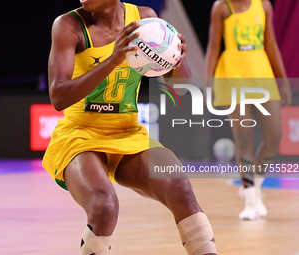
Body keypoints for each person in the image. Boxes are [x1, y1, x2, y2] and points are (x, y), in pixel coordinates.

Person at [43, 0, 218, 254]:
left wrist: (176, 61)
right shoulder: (68, 25)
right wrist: (113, 60)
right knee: (104, 206)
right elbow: (58, 97)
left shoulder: (145, 19)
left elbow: (180, 87)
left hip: (127, 133)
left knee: (179, 186)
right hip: (79, 134)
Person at [205, 0, 292, 220]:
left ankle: (254, 186)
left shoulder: (263, 5)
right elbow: (213, 47)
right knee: (244, 140)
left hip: (261, 73)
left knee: (274, 138)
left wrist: (283, 81)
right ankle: (251, 200)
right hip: (232, 74)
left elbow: (270, 44)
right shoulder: (222, 7)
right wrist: (208, 85)